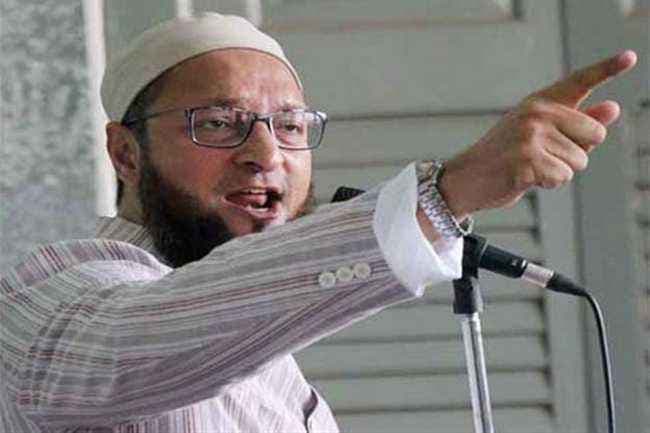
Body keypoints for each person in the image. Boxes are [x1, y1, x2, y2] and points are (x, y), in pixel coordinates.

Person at [0, 12, 637, 433]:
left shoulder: (273, 355)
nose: (266, 154)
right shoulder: (49, 294)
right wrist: (446, 196)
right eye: (217, 123)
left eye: (290, 126)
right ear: (125, 154)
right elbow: (153, 334)